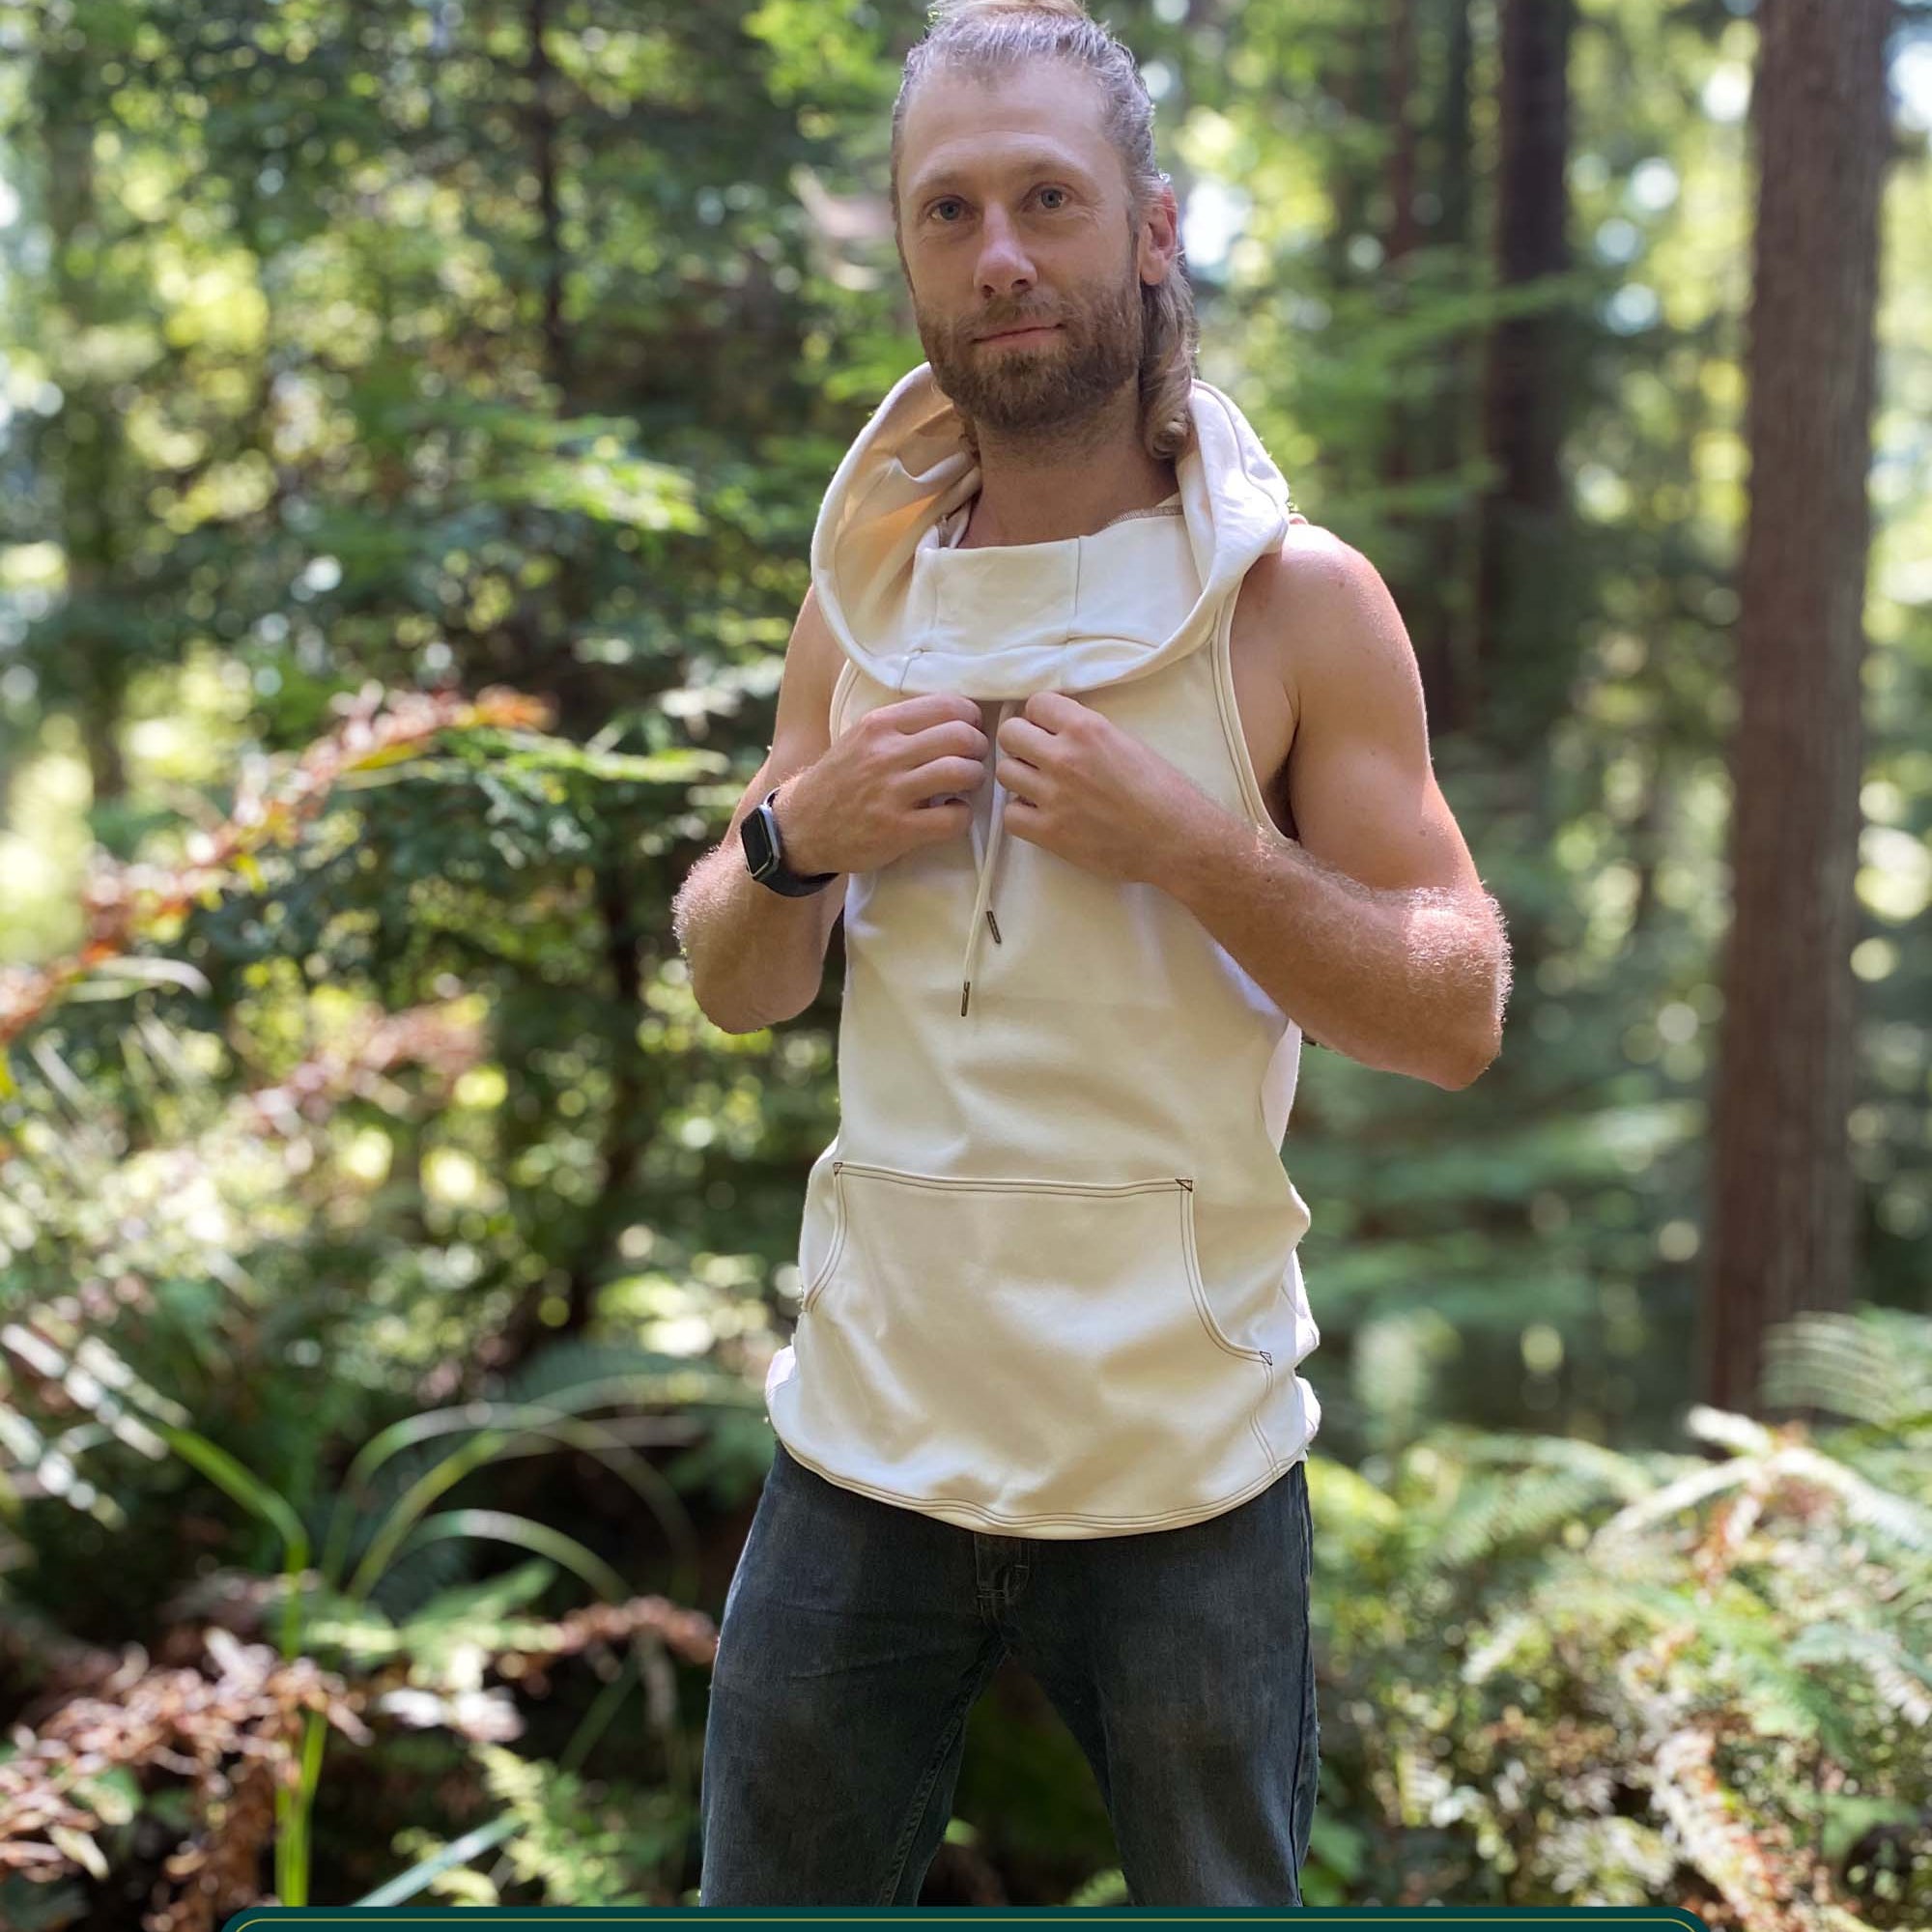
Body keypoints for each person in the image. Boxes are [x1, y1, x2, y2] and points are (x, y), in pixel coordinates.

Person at [670, 0, 1510, 1905]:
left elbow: (1453, 1002)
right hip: (860, 1449)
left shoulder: (1297, 602)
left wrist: (1192, 846)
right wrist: (795, 842)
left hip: (1182, 1474)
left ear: (1149, 223)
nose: (999, 257)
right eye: (946, 210)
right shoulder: (860, 596)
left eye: (1047, 197)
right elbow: (737, 976)